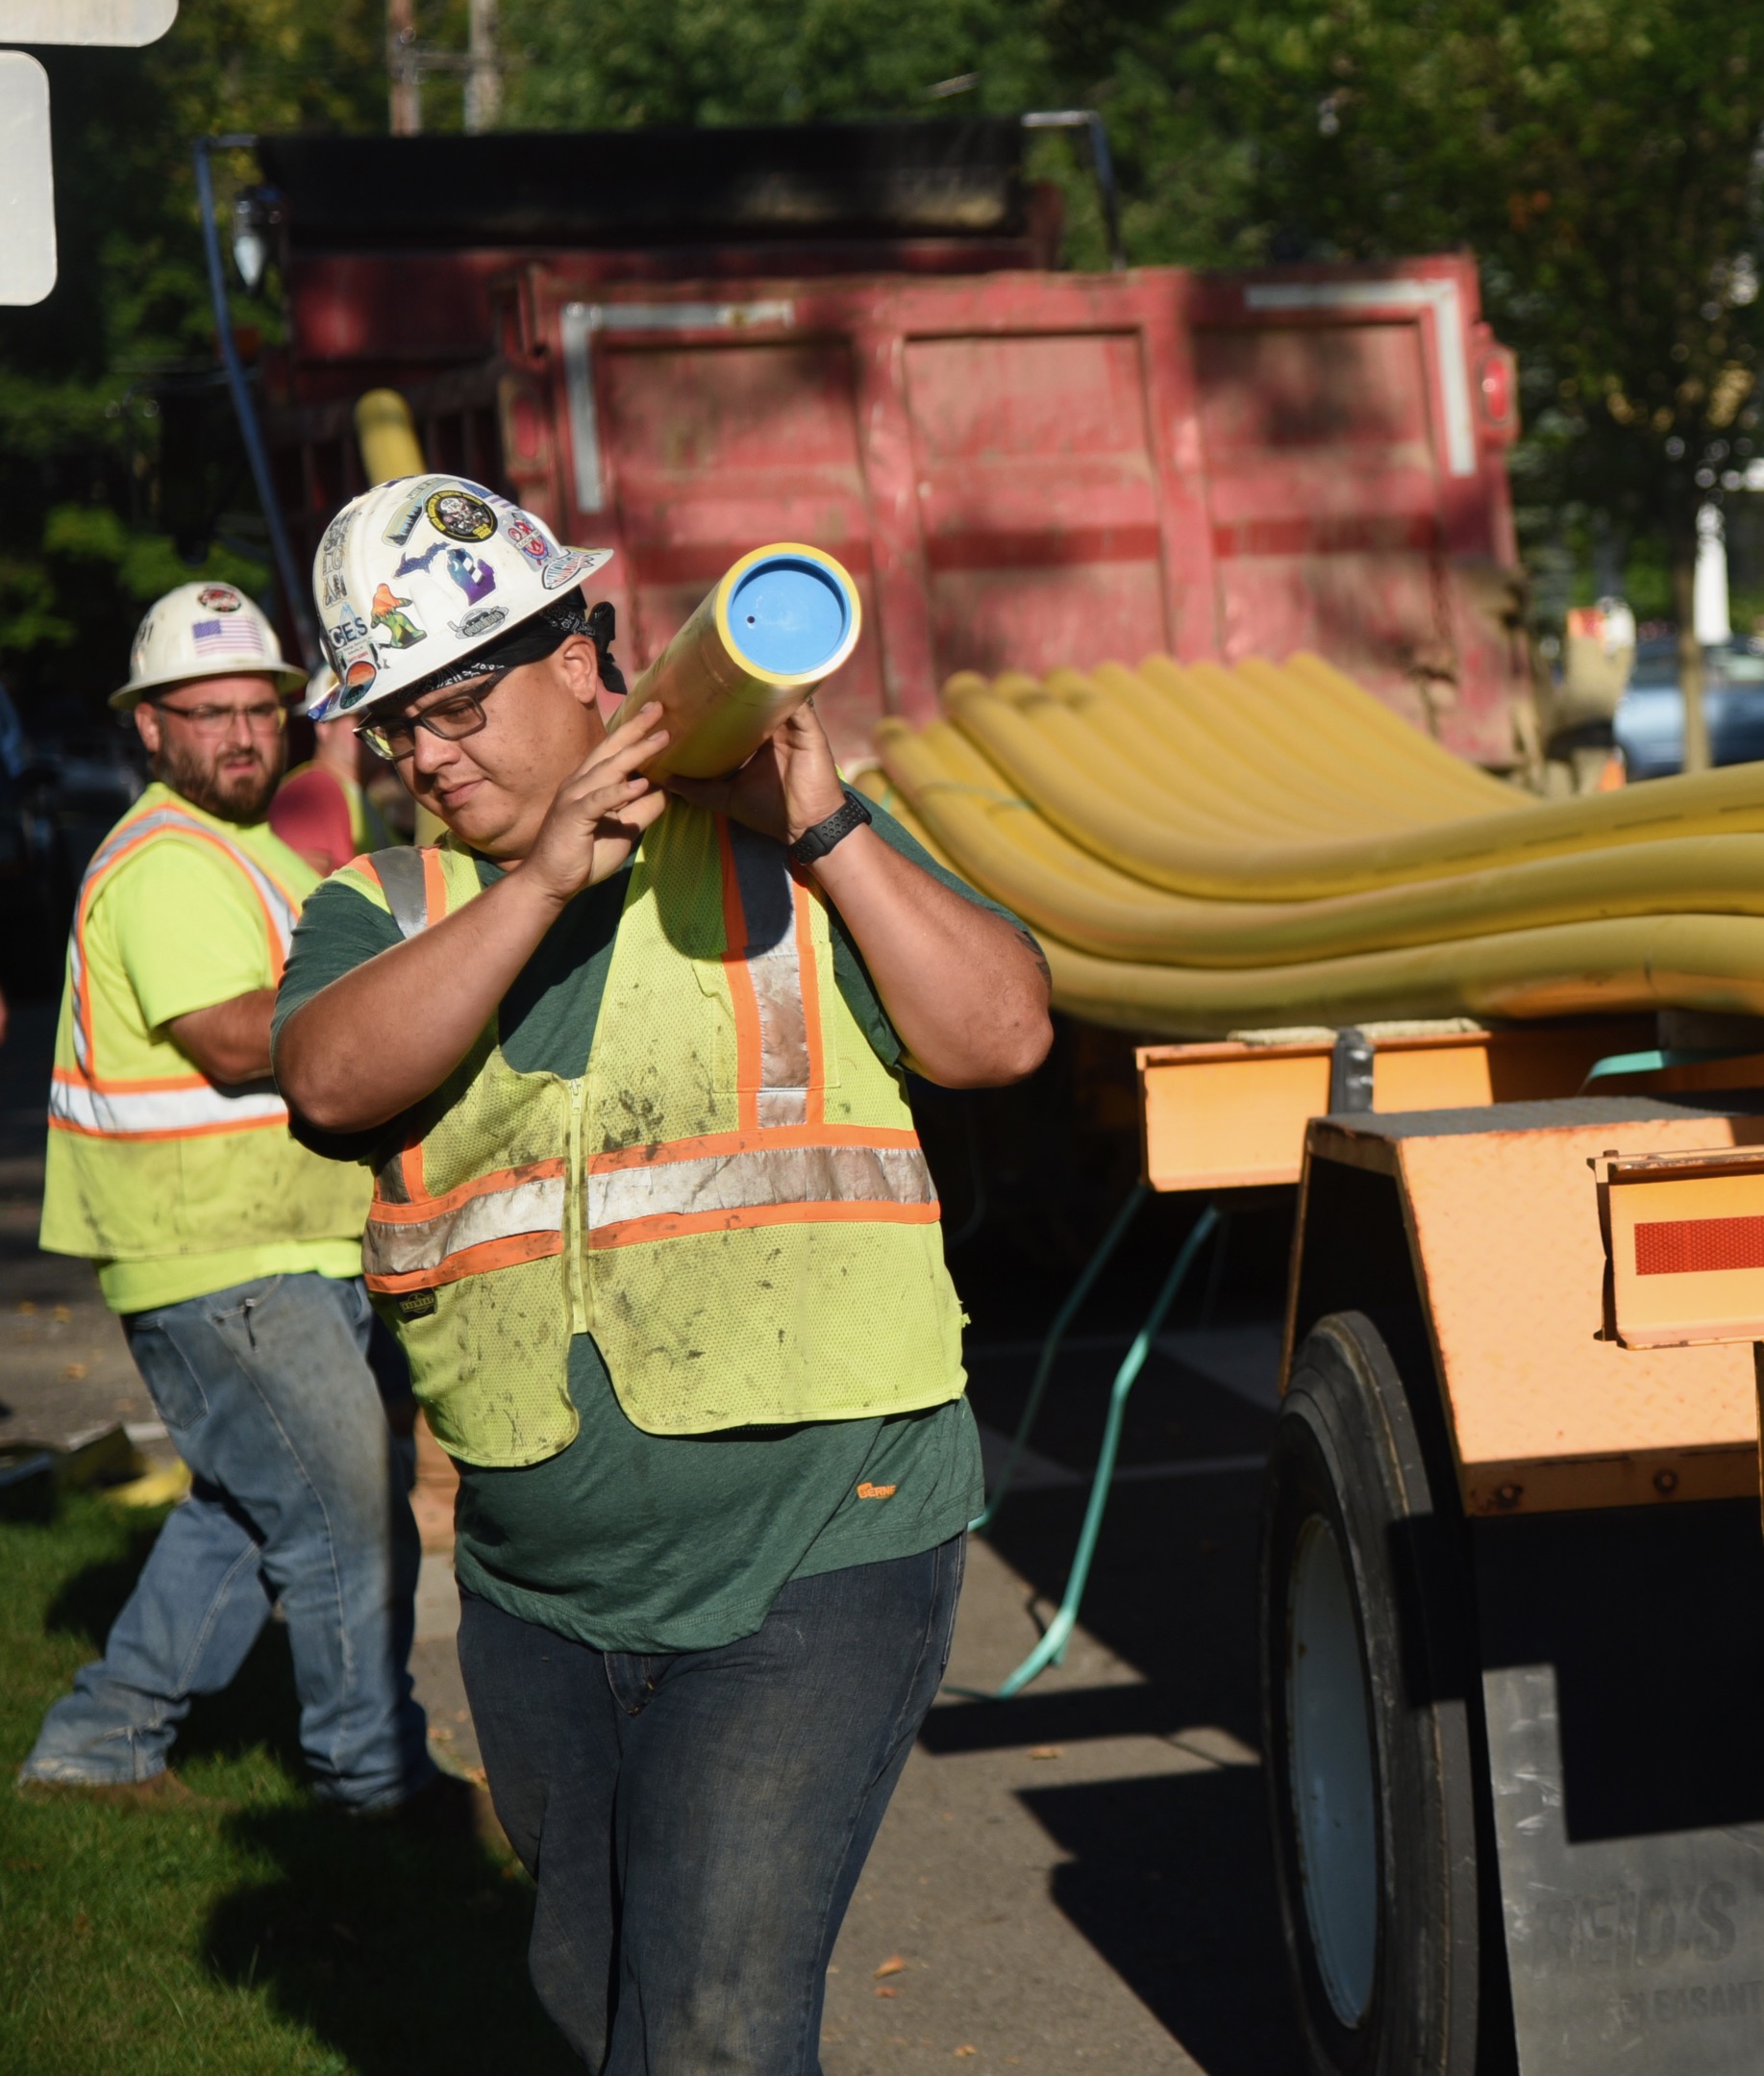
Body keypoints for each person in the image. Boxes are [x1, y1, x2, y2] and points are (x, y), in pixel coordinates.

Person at [272, 476, 1052, 2073]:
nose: (428, 756)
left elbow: (1003, 1033)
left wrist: (826, 828)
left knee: (711, 2027)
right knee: (592, 2006)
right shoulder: (390, 902)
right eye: (393, 727)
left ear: (582, 660)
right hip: (540, 1583)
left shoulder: (778, 843)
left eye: (457, 707)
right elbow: (333, 1083)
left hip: (821, 1539)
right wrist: (544, 876)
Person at [19, 582, 455, 1827]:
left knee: (243, 1505)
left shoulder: (253, 851)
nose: (239, 736)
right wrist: (400, 1012)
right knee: (347, 1523)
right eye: (204, 714)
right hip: (220, 1255)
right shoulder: (163, 858)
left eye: (260, 711)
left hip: (274, 1246)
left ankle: (100, 1744)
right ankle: (375, 1789)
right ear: (148, 729)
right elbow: (224, 1040)